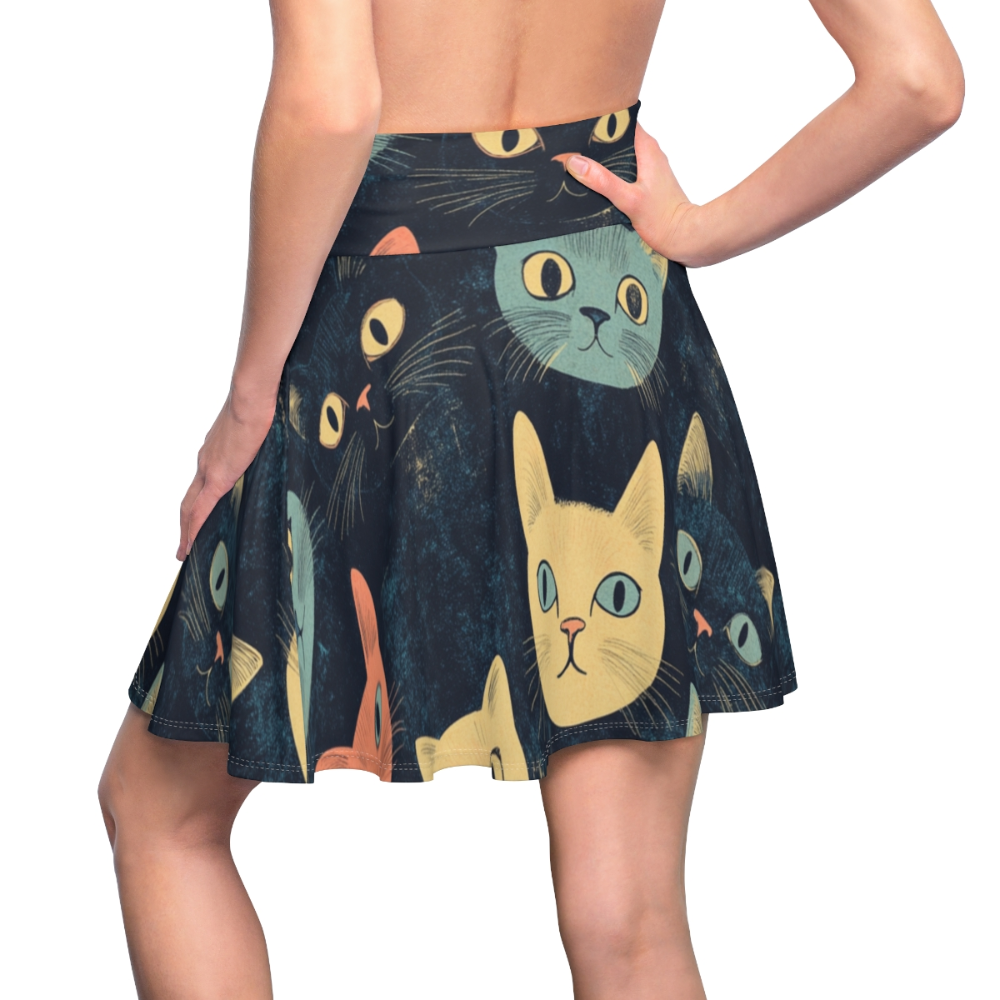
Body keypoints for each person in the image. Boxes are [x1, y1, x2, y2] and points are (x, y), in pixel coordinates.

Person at [97, 1, 963, 997]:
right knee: (626, 916)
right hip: (609, 323)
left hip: (391, 335)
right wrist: (697, 230)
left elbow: (332, 104)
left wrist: (249, 402)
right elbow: (918, 80)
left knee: (160, 813)